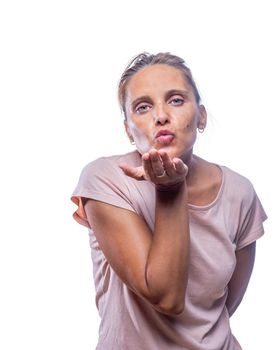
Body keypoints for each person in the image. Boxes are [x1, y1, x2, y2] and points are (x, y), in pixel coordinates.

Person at [71, 52, 267, 350]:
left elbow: (225, 304)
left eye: (176, 100)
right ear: (128, 129)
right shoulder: (105, 179)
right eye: (143, 106)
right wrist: (170, 191)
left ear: (200, 116)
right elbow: (166, 297)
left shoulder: (240, 193)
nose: (160, 116)